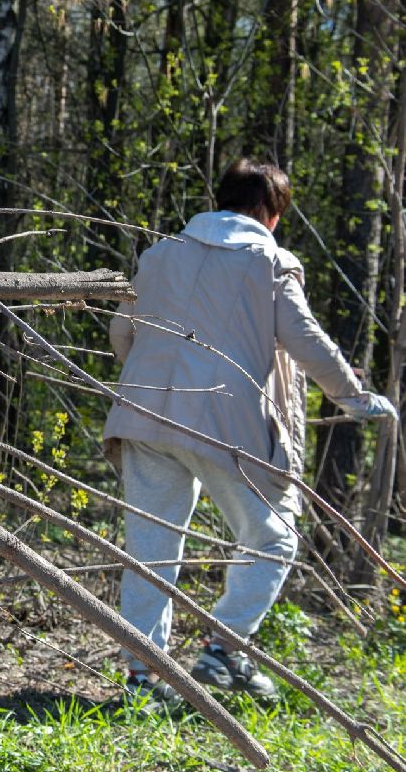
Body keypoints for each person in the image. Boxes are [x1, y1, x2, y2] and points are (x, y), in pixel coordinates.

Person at [105, 158, 396, 704]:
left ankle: (144, 681)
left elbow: (124, 331)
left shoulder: (161, 254)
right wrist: (354, 397)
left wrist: (147, 383)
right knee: (273, 536)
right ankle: (225, 649)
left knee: (151, 549)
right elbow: (305, 339)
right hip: (223, 422)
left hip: (142, 414)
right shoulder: (269, 261)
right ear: (270, 210)